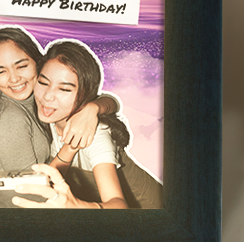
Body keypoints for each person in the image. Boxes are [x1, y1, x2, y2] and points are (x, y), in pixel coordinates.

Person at [13, 39, 163, 210]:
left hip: (150, 209)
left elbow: (119, 205)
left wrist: (76, 205)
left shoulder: (96, 134)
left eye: (64, 89)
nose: (47, 96)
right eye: (43, 83)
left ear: (85, 93)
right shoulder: (48, 116)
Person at [0, 26, 100, 176]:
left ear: (38, 62)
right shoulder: (9, 118)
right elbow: (32, 186)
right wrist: (71, 146)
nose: (14, 79)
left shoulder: (40, 94)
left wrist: (93, 108)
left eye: (21, 66)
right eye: (0, 72)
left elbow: (107, 99)